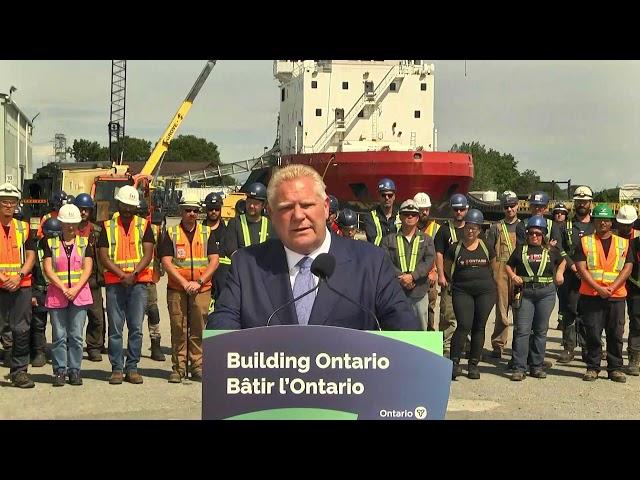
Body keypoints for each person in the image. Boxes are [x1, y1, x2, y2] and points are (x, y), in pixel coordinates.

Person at [207, 164, 419, 330]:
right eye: (287, 208)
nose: (299, 216)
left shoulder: (371, 263)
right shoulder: (246, 265)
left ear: (326, 208)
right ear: (270, 215)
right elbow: (222, 329)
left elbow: (406, 332)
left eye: (307, 205)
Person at [97, 185, 155, 385]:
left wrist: (135, 274)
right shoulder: (107, 226)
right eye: (125, 205)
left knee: (136, 327)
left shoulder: (143, 225)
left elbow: (148, 253)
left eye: (131, 206)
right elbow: (103, 256)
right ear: (118, 204)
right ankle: (116, 369)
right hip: (115, 283)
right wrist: (122, 274)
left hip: (138, 283)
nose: (128, 209)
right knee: (115, 328)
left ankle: (132, 368)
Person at [160, 193, 219, 383]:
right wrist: (184, 283)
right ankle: (178, 368)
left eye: (195, 210)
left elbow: (214, 260)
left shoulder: (207, 233)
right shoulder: (171, 233)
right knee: (178, 327)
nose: (191, 214)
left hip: (201, 289)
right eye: (188, 210)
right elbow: (166, 261)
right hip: (177, 289)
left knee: (198, 329)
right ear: (181, 211)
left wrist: (199, 282)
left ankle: (197, 366)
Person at [573, 204, 634, 382]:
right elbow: (581, 267)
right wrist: (598, 287)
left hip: (616, 295)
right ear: (594, 221)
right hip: (592, 295)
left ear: (611, 222)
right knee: (592, 332)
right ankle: (593, 367)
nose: (603, 224)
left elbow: (628, 266)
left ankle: (615, 368)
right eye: (599, 220)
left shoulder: (623, 243)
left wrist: (613, 287)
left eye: (606, 220)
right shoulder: (585, 241)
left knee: (615, 333)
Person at [506, 216, 566, 381]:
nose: (534, 236)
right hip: (526, 293)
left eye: (538, 234)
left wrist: (560, 273)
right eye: (531, 233)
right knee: (522, 331)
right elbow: (508, 265)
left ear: (544, 235)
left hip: (545, 293)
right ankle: (519, 367)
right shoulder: (520, 249)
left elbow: (563, 261)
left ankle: (536, 366)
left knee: (540, 331)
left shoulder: (551, 250)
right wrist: (513, 276)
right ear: (527, 234)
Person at [42, 204, 94, 386]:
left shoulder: (85, 242)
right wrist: (64, 288)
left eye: (73, 223)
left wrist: (75, 288)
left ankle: (75, 370)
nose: (70, 227)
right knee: (59, 336)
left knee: (77, 336)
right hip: (58, 294)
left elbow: (88, 269)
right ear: (61, 223)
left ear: (78, 223)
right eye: (66, 223)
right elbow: (48, 268)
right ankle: (59, 371)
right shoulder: (51, 243)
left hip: (79, 295)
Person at [447, 209, 496, 380]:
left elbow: (494, 268)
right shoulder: (455, 248)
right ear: (463, 227)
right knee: (463, 325)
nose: (470, 231)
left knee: (479, 327)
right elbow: (447, 269)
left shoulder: (487, 247)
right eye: (468, 227)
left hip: (485, 292)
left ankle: (473, 364)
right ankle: (453, 363)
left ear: (480, 230)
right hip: (462, 290)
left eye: (474, 228)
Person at [0, 183, 37, 387]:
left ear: (17, 205)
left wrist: (19, 275)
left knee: (21, 330)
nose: (8, 205)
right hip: (1, 284)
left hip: (21, 284)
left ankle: (19, 372)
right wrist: (3, 278)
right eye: (4, 201)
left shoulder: (23, 227)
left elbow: (31, 255)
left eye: (12, 202)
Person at [554, 186, 595, 363]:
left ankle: (588, 349)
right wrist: (572, 266)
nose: (581, 205)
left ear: (590, 204)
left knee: (588, 313)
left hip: (591, 277)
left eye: (584, 202)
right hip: (572, 276)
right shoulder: (565, 226)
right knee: (569, 311)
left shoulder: (596, 225)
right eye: (578, 201)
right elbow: (560, 249)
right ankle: (568, 348)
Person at [381, 200, 435, 330]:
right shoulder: (388, 240)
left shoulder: (426, 239)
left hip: (419, 292)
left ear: (418, 217)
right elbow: (385, 262)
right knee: (395, 328)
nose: (409, 217)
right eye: (406, 214)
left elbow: (429, 260)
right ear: (400, 216)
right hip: (396, 292)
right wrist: (402, 278)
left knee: (421, 329)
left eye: (413, 214)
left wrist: (413, 276)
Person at [486, 191, 526, 358]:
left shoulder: (523, 226)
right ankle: (498, 344)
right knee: (501, 310)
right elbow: (490, 250)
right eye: (506, 206)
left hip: (519, 271)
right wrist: (493, 273)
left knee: (520, 310)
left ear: (518, 206)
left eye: (512, 206)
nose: (510, 209)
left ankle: (519, 344)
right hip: (501, 271)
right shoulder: (496, 227)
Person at [74, 193, 107, 361]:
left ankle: (94, 346)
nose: (83, 213)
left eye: (86, 210)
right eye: (80, 209)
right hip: (72, 280)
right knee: (72, 317)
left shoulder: (97, 231)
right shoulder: (67, 229)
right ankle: (71, 345)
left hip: (93, 280)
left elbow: (103, 256)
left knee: (96, 316)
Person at [434, 193, 469, 356]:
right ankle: (446, 347)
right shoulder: (444, 230)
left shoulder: (472, 229)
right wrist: (441, 275)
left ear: (467, 209)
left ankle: (464, 345)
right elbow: (439, 253)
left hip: (467, 282)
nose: (459, 213)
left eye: (462, 209)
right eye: (456, 209)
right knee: (447, 315)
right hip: (449, 280)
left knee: (466, 316)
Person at [30, 217, 63, 368]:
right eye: (49, 235)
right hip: (40, 291)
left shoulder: (63, 248)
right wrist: (31, 294)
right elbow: (29, 271)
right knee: (38, 324)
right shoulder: (35, 248)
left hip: (58, 290)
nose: (52, 239)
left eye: (55, 236)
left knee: (61, 325)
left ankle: (61, 353)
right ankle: (39, 352)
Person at [222, 182, 275, 257]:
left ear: (263, 205)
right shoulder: (235, 223)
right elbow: (231, 251)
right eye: (249, 202)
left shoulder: (271, 226)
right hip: (242, 267)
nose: (251, 206)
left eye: (255, 203)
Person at [414, 192, 440, 331]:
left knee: (430, 308)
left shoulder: (436, 229)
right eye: (421, 209)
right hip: (413, 275)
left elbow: (438, 254)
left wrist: (434, 272)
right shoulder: (408, 227)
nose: (424, 212)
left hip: (430, 277)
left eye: (426, 209)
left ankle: (429, 336)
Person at [203, 192, 231, 303]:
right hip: (204, 278)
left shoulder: (228, 230)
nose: (213, 212)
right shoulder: (199, 230)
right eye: (210, 209)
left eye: (216, 209)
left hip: (222, 279)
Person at [363, 178, 400, 246]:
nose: (387, 198)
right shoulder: (370, 217)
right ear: (378, 196)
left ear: (394, 196)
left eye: (390, 195)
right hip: (377, 255)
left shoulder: (400, 216)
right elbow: (373, 240)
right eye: (383, 195)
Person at [550, 202, 570, 330]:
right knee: (559, 295)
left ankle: (564, 321)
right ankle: (561, 320)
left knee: (565, 294)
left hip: (566, 263)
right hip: (553, 263)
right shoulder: (549, 227)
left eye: (562, 213)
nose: (559, 215)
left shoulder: (568, 228)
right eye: (557, 213)